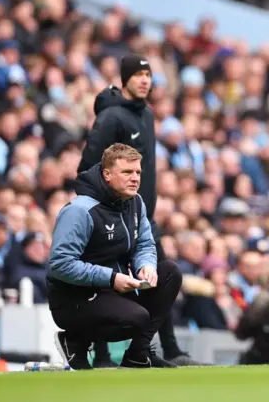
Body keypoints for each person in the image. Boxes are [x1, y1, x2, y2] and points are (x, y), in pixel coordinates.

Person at [78, 54, 196, 366]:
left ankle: (157, 350)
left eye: (148, 75)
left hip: (142, 217)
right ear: (124, 77)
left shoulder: (147, 115)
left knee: (161, 275)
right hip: (111, 216)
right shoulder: (111, 117)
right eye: (138, 74)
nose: (145, 80)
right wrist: (101, 211)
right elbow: (87, 168)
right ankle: (101, 354)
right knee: (105, 280)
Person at [47, 144, 182, 370]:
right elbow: (60, 265)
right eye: (127, 172)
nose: (135, 178)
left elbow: (145, 244)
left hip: (116, 289)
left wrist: (145, 265)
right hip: (74, 299)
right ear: (107, 174)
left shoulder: (135, 202)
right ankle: (75, 342)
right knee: (136, 318)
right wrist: (112, 278)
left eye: (138, 172)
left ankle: (137, 355)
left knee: (169, 272)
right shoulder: (80, 210)